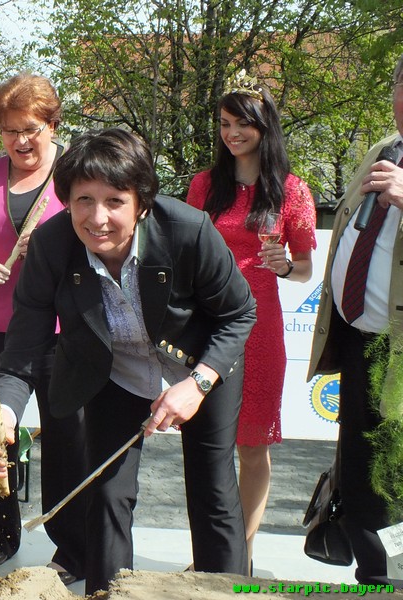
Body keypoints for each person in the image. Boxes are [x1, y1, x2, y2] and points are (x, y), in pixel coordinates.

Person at [0, 128, 257, 594]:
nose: (97, 217)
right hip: (113, 370)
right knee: (106, 492)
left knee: (212, 490)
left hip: (201, 365)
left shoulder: (188, 231)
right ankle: (109, 592)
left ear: (141, 203)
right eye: (83, 200)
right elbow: (23, 347)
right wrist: (1, 415)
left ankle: (223, 589)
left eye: (114, 201)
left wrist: (199, 383)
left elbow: (239, 312)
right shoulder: (50, 246)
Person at [0, 72, 87, 582]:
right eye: (9, 131)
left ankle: (72, 547)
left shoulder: (79, 174)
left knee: (68, 435)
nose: (21, 141)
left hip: (63, 327)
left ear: (53, 124)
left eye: (31, 128)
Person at [186, 72, 316, 566]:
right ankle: (212, 552)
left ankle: (238, 553)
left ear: (265, 125)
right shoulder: (204, 185)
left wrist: (285, 265)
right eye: (224, 123)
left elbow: (304, 267)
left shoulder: (291, 190)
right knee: (209, 447)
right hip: (210, 322)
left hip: (260, 329)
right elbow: (186, 252)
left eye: (243, 122)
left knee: (252, 446)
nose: (232, 133)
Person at [308, 53, 403, 587]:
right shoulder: (383, 151)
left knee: (395, 472)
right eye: (400, 84)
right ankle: (375, 577)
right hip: (358, 338)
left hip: (398, 351)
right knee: (365, 471)